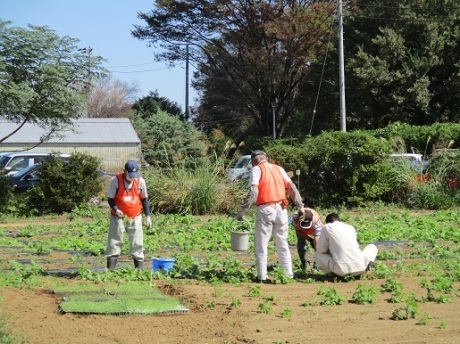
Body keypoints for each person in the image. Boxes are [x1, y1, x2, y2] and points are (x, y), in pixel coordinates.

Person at [236, 150, 305, 282]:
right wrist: (300, 206)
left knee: (261, 244)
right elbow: (291, 187)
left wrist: (243, 210)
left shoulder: (256, 170)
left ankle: (262, 276)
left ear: (254, 161)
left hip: (266, 209)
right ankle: (288, 274)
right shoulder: (278, 168)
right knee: (282, 243)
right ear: (266, 158)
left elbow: (254, 191)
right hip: (281, 209)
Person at [105, 160, 152, 270]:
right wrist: (116, 210)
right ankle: (111, 271)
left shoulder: (140, 181)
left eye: (135, 175)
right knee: (114, 242)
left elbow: (144, 198)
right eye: (130, 175)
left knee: (137, 242)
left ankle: (138, 271)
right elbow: (110, 199)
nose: (133, 178)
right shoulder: (115, 180)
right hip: (118, 217)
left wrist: (148, 216)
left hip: (135, 216)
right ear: (125, 172)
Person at [313, 213, 377, 277]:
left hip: (341, 271)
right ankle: (367, 268)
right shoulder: (350, 227)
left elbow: (320, 249)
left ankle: (330, 274)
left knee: (317, 254)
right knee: (372, 247)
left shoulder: (327, 227)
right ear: (339, 221)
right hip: (360, 267)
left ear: (328, 222)